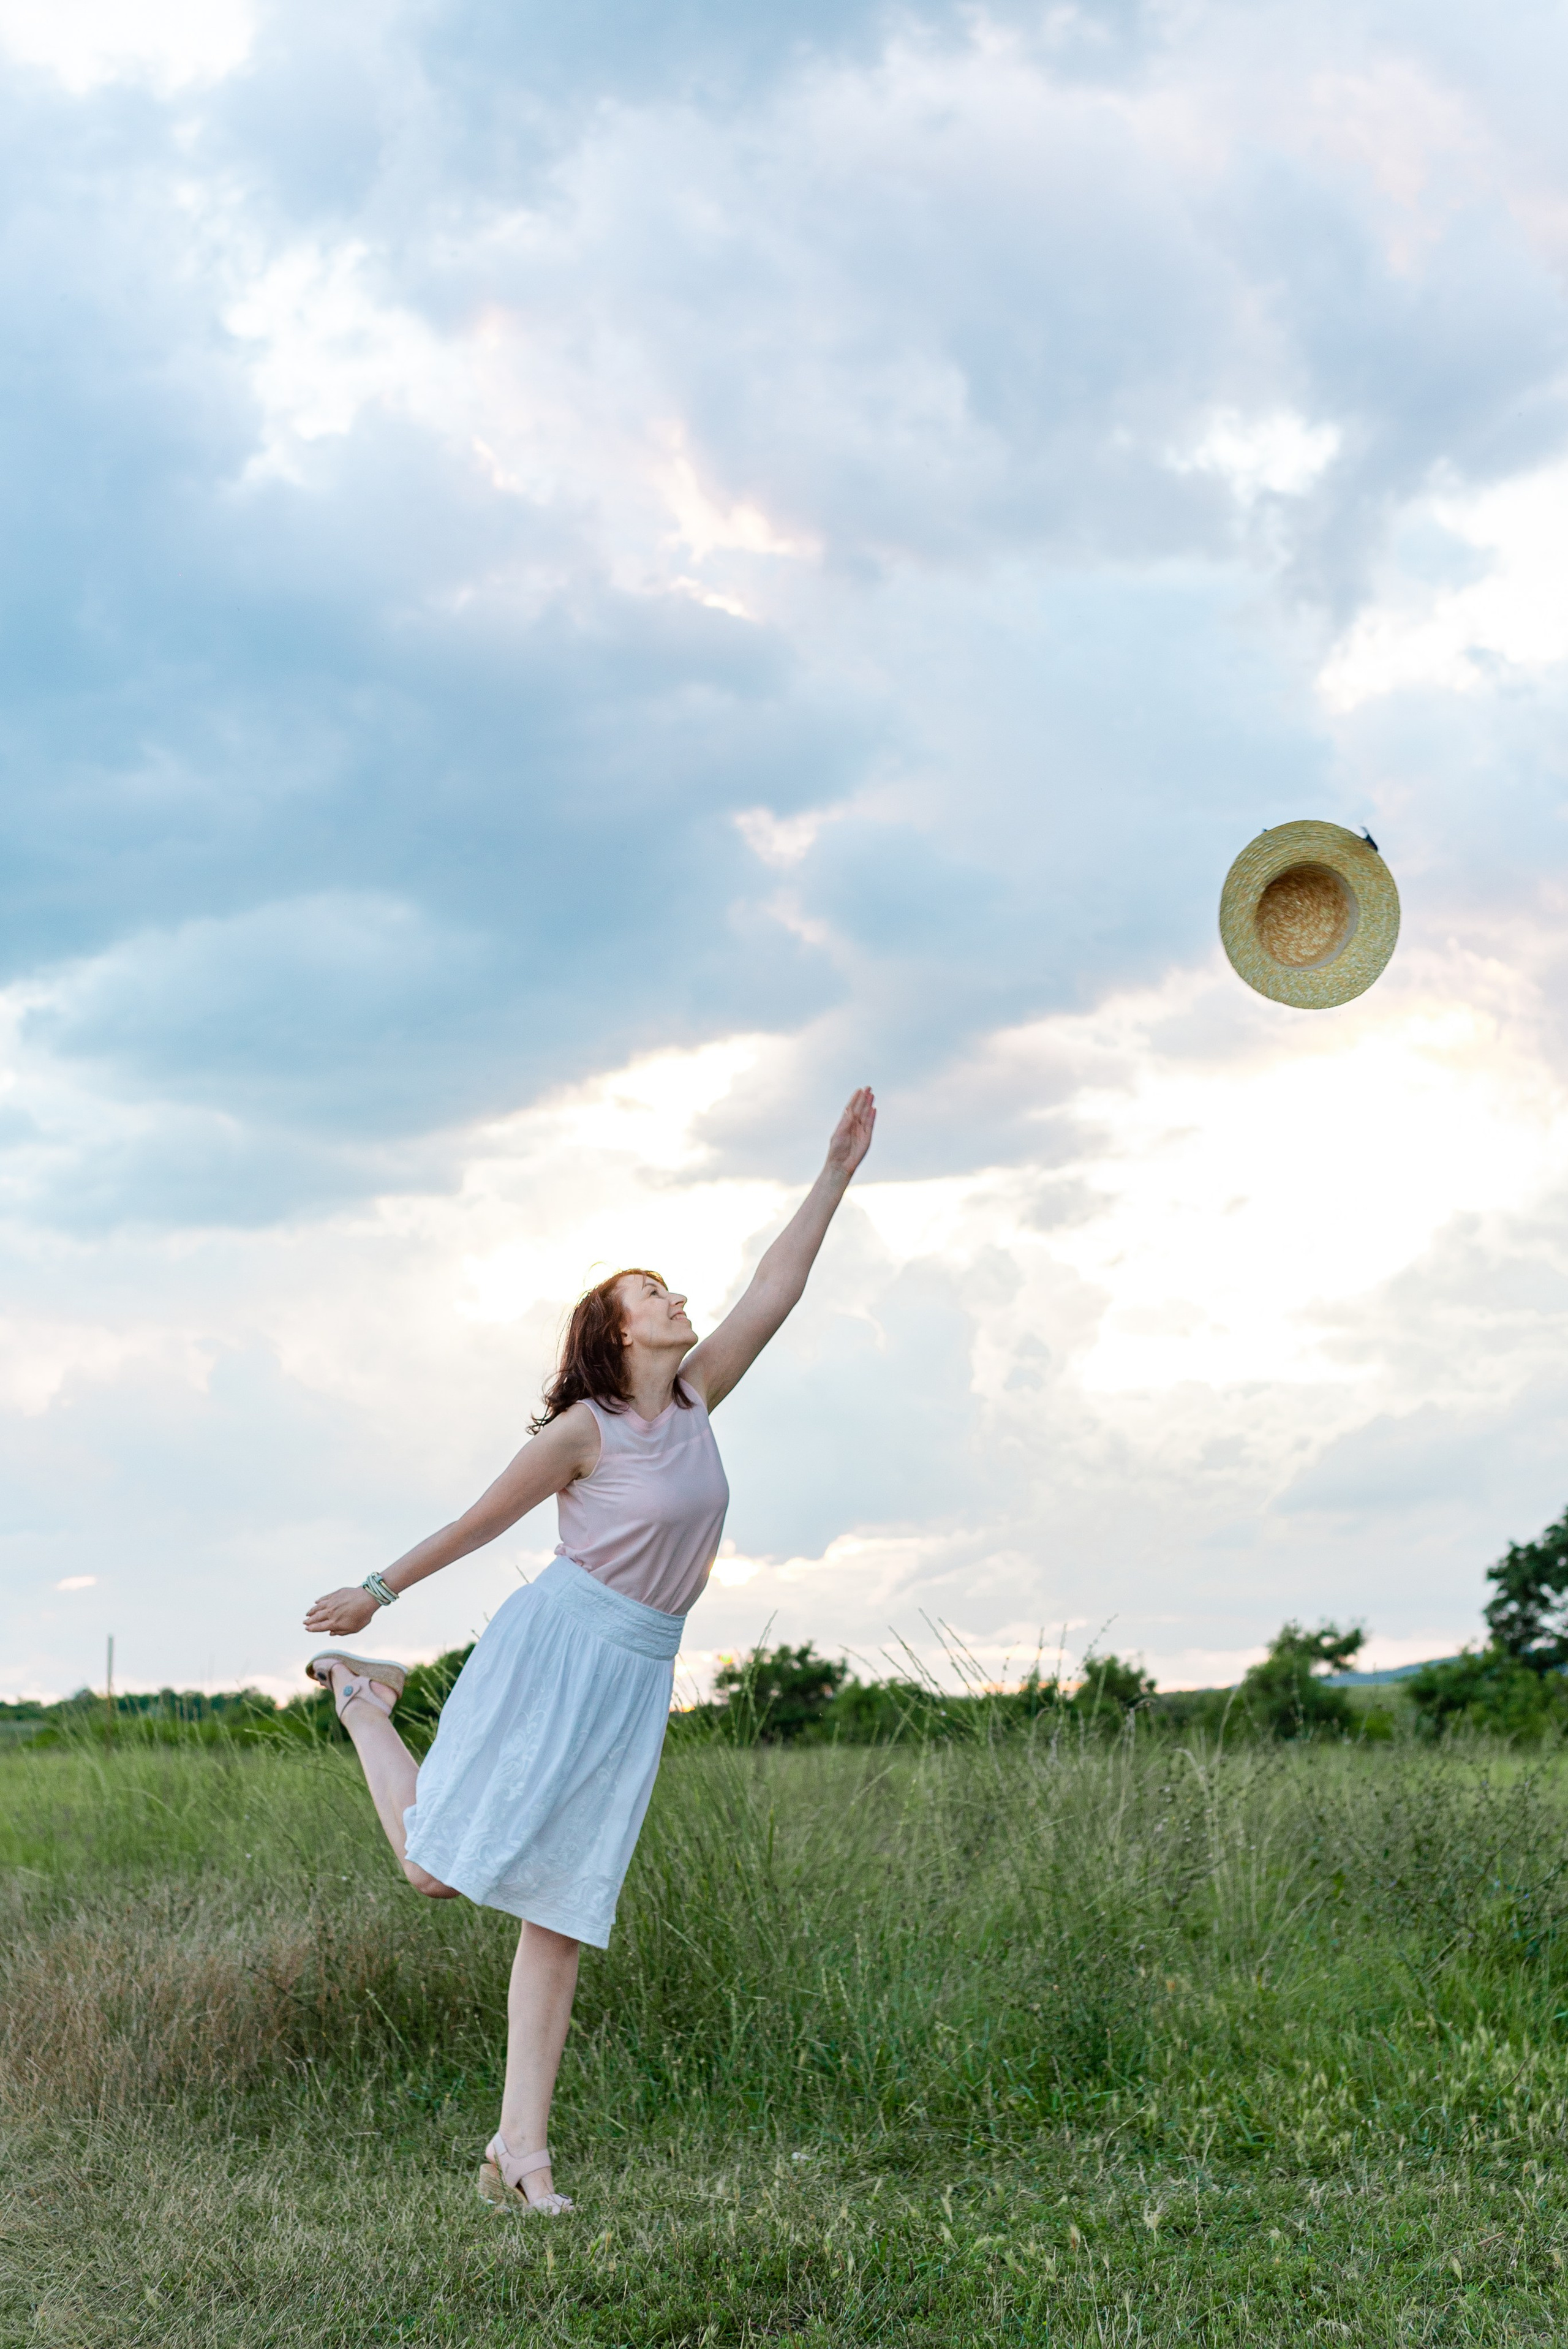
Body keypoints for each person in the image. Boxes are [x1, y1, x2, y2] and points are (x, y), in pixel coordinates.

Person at [303, 1086, 875, 2215]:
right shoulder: (586, 1432)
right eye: (649, 1293)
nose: (674, 1298)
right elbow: (482, 1521)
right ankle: (365, 1705)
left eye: (668, 1288)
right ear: (618, 1333)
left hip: (636, 1672)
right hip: (557, 1649)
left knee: (560, 1909)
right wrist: (377, 1590)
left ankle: (523, 2153)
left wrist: (835, 1175)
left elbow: (777, 1288)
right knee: (433, 1871)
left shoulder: (701, 1400)